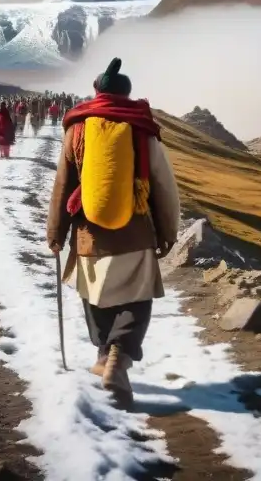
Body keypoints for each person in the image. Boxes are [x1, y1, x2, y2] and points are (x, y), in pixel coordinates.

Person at [46, 57, 180, 408]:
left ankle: (106, 355)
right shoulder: (141, 128)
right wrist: (168, 230)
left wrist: (56, 232)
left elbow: (63, 184)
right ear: (126, 93)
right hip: (135, 232)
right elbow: (163, 185)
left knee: (95, 297)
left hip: (90, 234)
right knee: (137, 299)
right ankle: (118, 358)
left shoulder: (77, 128)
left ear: (97, 92)